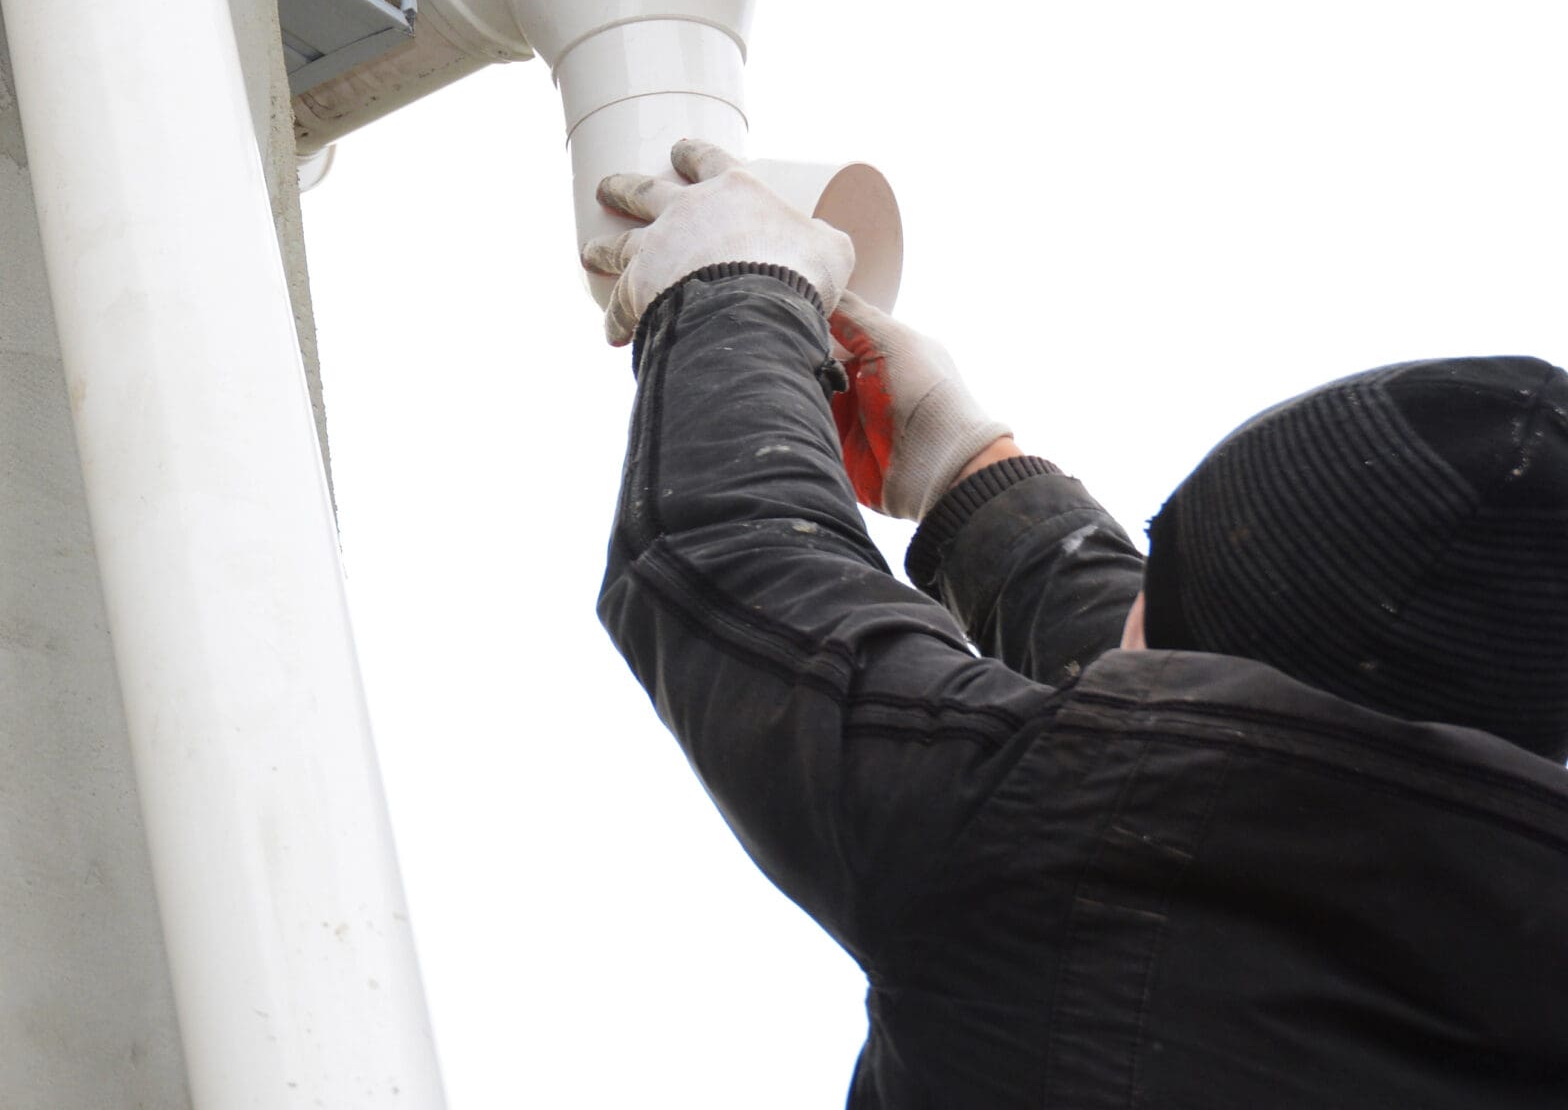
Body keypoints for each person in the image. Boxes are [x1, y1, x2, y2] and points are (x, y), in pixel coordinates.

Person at [580, 140, 1568, 1108]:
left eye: (1156, 611)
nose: (1125, 634)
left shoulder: (1042, 857)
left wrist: (728, 291)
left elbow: (723, 559)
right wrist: (970, 472)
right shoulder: (1486, 919)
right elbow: (1208, 749)